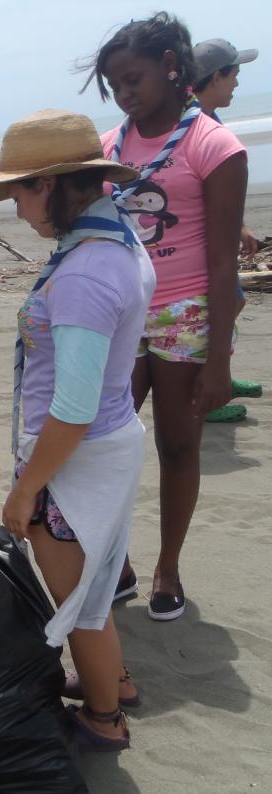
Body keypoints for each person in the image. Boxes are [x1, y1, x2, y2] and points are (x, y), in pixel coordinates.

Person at [0, 109, 154, 750]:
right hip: (109, 440)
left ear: (49, 184)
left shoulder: (80, 275)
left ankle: (105, 720)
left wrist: (27, 489)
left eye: (19, 190)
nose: (16, 206)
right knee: (96, 585)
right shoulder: (120, 243)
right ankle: (118, 682)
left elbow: (71, 408)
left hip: (75, 456)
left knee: (80, 601)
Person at [85, 12, 248, 621]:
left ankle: (167, 566)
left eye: (133, 79)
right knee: (108, 444)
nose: (125, 94)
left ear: (172, 68)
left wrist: (220, 360)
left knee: (178, 445)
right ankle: (116, 559)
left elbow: (224, 261)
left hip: (187, 312)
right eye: (115, 86)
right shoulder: (107, 149)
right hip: (122, 312)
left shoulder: (214, 144)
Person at [193, 37, 263, 422]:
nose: (237, 82)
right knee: (219, 307)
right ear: (215, 76)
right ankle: (207, 385)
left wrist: (240, 227)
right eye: (234, 74)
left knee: (232, 302)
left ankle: (221, 374)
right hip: (200, 245)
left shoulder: (207, 119)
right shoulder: (194, 123)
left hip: (216, 237)